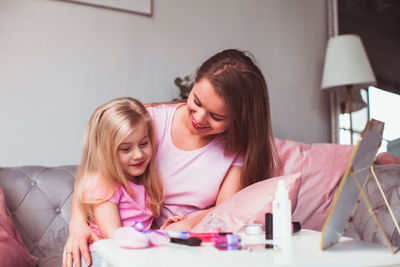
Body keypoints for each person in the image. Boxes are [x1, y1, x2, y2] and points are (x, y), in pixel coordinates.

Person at [63, 49, 278, 267]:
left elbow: (225, 210)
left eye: (217, 117)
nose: (200, 118)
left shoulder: (235, 151)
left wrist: (186, 224)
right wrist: (78, 226)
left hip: (177, 245)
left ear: (239, 119)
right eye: (197, 101)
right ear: (193, 84)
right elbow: (97, 173)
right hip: (142, 244)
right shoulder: (149, 121)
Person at [62, 97, 184, 267]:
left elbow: (137, 231)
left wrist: (162, 232)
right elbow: (115, 237)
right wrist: (155, 238)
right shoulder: (104, 182)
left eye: (143, 143)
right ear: (106, 151)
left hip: (125, 254)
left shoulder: (145, 182)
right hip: (99, 256)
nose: (138, 155)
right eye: (126, 149)